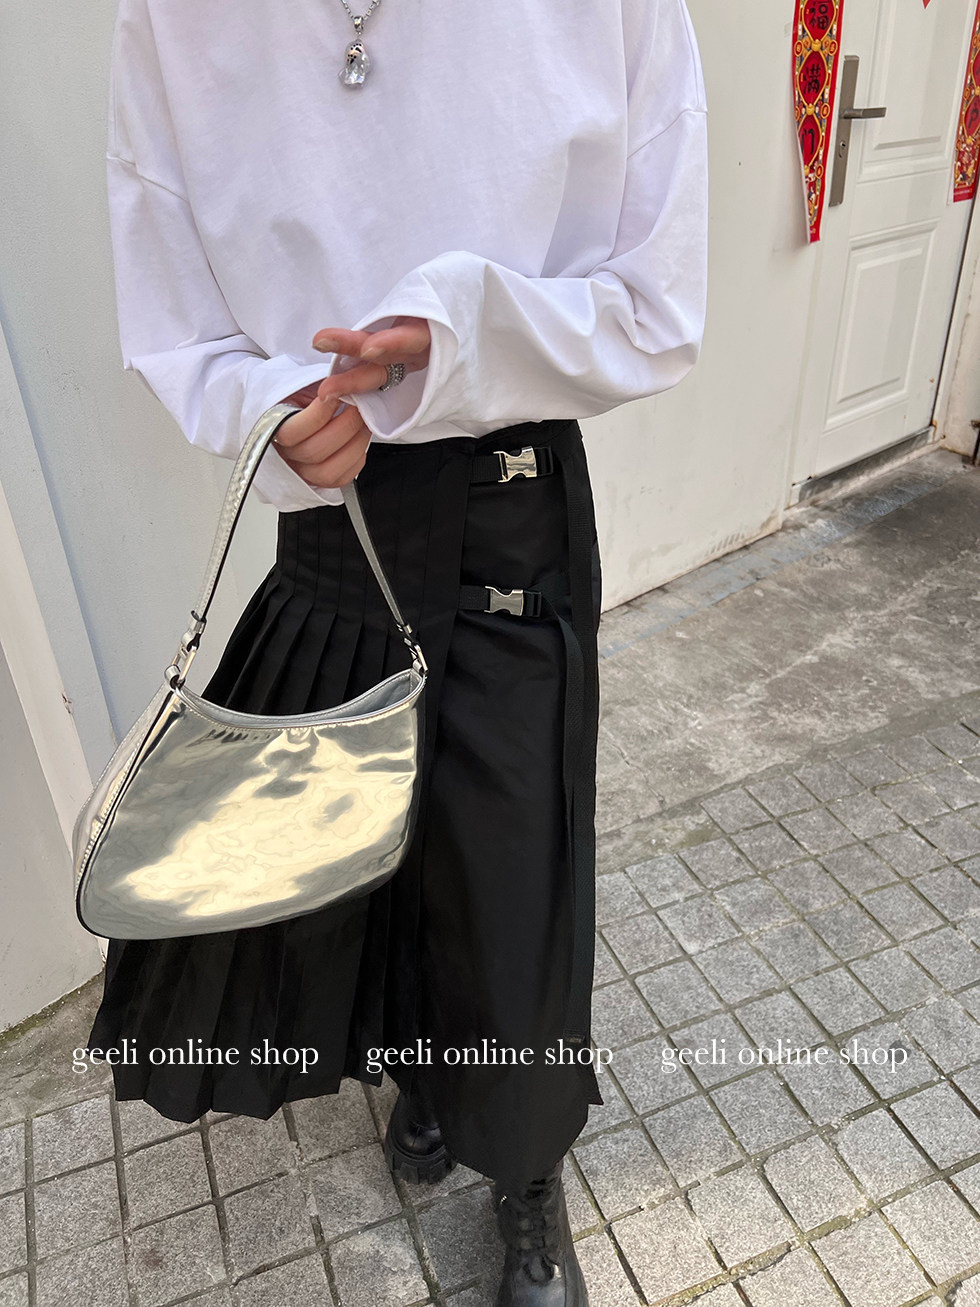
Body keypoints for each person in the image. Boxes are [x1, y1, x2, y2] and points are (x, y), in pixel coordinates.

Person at [84, 1, 708, 1302]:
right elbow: (176, 322)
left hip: (510, 493)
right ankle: (427, 1078)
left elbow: (658, 306)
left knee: (515, 867)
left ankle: (524, 1166)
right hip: (335, 508)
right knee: (360, 853)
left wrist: (461, 336)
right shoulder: (175, 19)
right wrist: (263, 407)